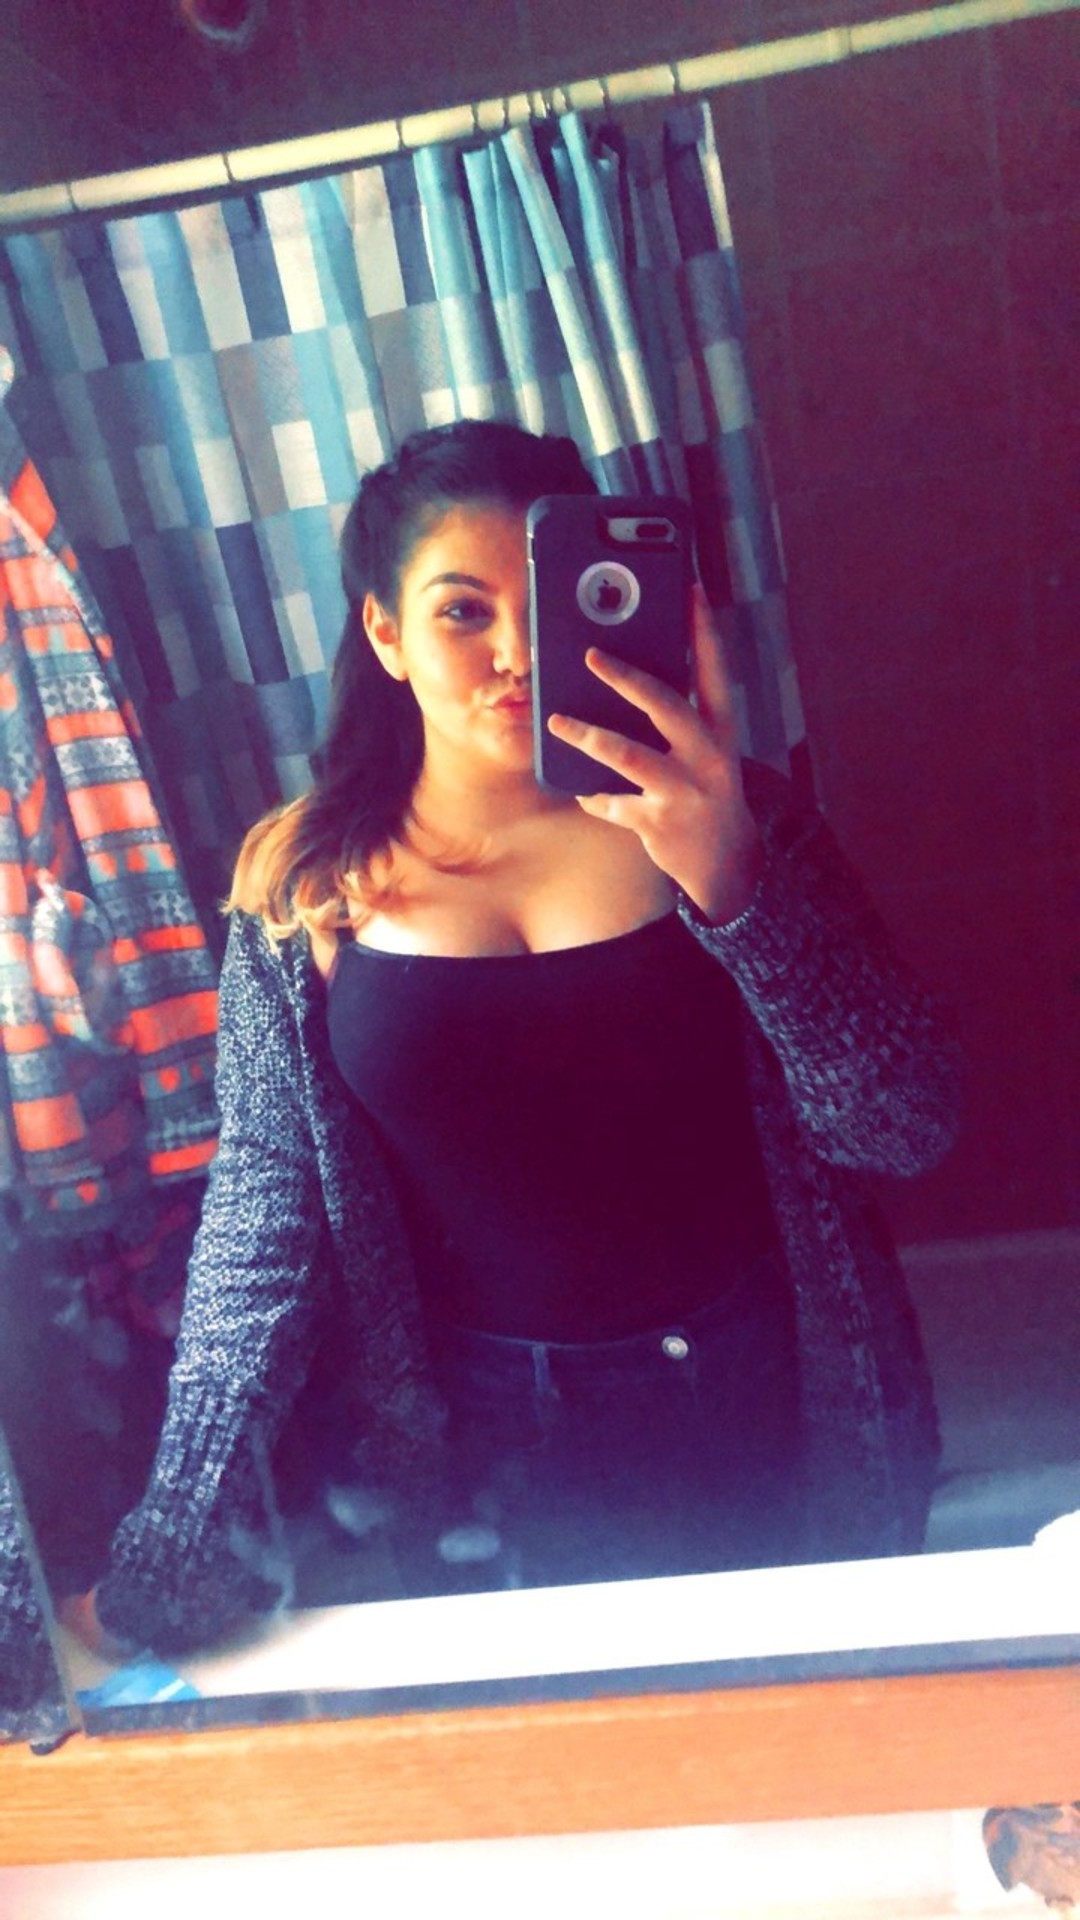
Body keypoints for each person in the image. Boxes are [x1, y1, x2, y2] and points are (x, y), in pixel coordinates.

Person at [70, 419, 961, 1657]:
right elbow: (262, 1217)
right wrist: (179, 1533)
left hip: (765, 1380)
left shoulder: (736, 817)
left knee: (794, 1721)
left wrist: (736, 885)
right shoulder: (308, 887)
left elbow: (905, 1127)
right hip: (481, 1440)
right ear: (385, 633)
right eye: (461, 611)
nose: (518, 654)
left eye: (549, 603)